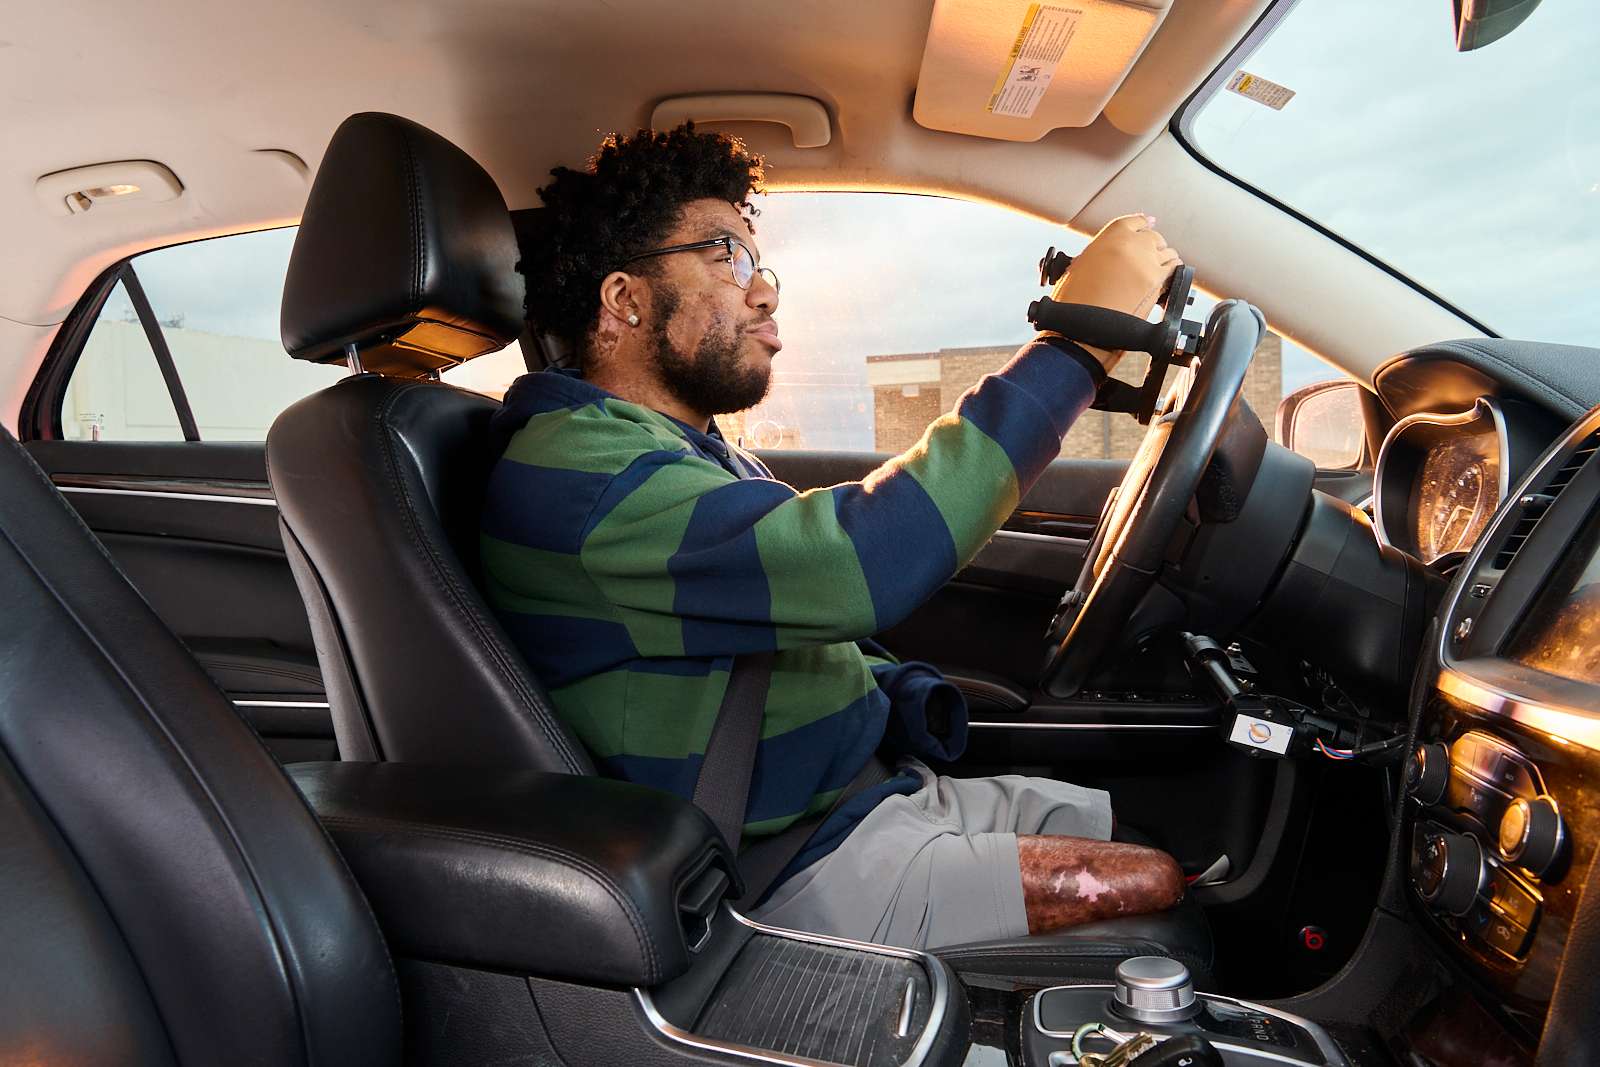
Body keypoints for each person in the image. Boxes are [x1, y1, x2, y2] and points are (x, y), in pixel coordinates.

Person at [481, 123, 1185, 950]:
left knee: (1135, 826)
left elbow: (787, 621)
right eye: (725, 256)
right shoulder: (584, 475)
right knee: (1156, 887)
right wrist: (1072, 347)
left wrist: (894, 697)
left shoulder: (686, 452)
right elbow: (859, 558)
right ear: (625, 298)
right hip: (803, 866)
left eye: (759, 263)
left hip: (874, 797)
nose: (764, 291)